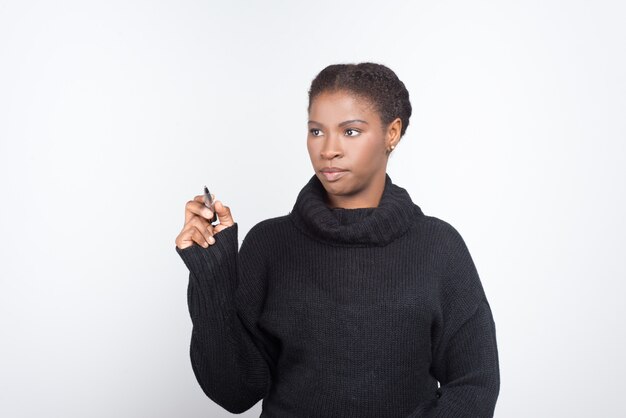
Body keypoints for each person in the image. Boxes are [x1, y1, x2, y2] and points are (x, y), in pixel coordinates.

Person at [175, 62, 500, 417]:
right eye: (317, 131)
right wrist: (212, 276)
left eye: (350, 132)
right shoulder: (269, 244)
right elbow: (234, 392)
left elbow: (475, 385)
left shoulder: (439, 247)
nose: (328, 149)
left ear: (392, 133)